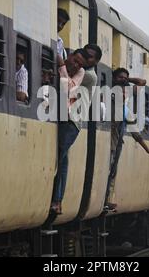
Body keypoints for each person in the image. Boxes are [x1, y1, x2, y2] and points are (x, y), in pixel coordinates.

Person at [104, 68, 149, 212]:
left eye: (125, 93)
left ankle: (106, 199)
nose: (123, 94)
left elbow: (135, 132)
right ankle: (104, 200)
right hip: (106, 144)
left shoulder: (125, 110)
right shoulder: (107, 99)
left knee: (112, 172)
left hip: (115, 145)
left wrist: (147, 149)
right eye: (120, 92)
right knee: (107, 171)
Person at [50, 49, 90, 215]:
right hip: (63, 118)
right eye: (75, 61)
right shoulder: (74, 69)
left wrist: (61, 66)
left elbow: (68, 88)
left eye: (80, 64)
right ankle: (57, 201)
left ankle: (56, 200)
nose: (76, 65)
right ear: (71, 56)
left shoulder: (80, 72)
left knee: (59, 157)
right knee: (63, 160)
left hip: (72, 122)